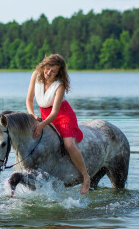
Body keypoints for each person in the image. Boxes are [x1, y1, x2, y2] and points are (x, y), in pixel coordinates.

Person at [26, 54, 90, 194]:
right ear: (43, 67)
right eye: (47, 69)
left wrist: (42, 125)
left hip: (63, 116)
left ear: (58, 73)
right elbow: (29, 100)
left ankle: (86, 177)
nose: (48, 73)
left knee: (69, 145)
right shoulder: (36, 75)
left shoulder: (59, 86)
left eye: (53, 71)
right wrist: (32, 115)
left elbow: (55, 113)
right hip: (44, 115)